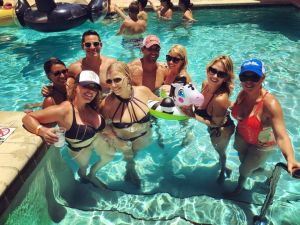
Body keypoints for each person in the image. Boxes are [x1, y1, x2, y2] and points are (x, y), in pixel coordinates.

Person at [23, 70, 114, 188]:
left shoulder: (92, 105)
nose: (91, 91)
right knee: (83, 168)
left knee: (109, 156)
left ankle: (93, 173)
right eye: (86, 86)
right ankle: (84, 175)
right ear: (76, 87)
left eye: (95, 88)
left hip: (96, 139)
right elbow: (28, 118)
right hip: (80, 149)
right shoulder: (65, 110)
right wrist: (42, 130)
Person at [230, 58, 300, 194]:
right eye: (244, 77)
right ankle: (267, 172)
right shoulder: (243, 94)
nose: (248, 82)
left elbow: (282, 135)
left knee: (244, 170)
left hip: (261, 146)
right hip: (242, 138)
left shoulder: (270, 105)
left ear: (262, 78)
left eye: (254, 77)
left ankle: (239, 189)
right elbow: (235, 109)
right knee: (247, 167)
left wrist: (290, 159)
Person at [100, 61, 161, 187]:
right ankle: (130, 167)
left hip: (145, 137)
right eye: (109, 81)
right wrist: (115, 139)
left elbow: (162, 105)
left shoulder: (143, 92)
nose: (113, 85)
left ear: (128, 78)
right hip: (123, 143)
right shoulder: (107, 105)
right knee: (130, 160)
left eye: (117, 80)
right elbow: (101, 126)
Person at [193, 55, 235, 183]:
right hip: (214, 121)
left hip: (221, 130)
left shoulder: (220, 99)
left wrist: (192, 115)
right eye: (213, 70)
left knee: (220, 152)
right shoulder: (205, 84)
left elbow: (216, 124)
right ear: (208, 69)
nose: (215, 76)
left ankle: (223, 170)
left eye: (221, 74)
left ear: (226, 77)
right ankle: (222, 167)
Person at [67, 30, 117, 94]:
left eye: (96, 44)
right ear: (83, 46)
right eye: (88, 45)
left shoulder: (111, 64)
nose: (92, 47)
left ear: (100, 45)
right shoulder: (74, 68)